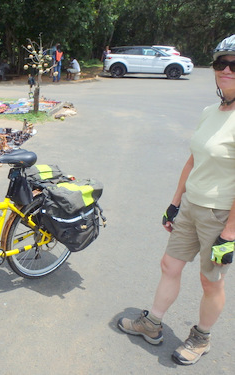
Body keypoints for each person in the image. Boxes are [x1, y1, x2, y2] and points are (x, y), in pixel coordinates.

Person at [117, 34, 235, 366]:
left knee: (210, 281)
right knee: (169, 265)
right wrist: (175, 202)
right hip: (192, 206)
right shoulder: (211, 111)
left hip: (220, 213)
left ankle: (201, 338)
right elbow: (193, 160)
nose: (226, 69)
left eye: (234, 64)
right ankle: (151, 324)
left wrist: (230, 233)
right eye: (220, 63)